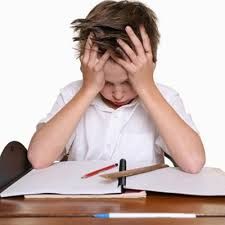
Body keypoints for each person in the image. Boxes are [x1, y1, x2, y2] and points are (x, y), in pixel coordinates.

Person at [28, 0, 205, 173]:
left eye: (129, 82)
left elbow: (193, 162)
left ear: (150, 67)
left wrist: (146, 88)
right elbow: (38, 158)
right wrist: (89, 89)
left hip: (144, 202)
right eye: (105, 82)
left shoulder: (164, 98)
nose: (118, 94)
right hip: (83, 201)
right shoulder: (73, 94)